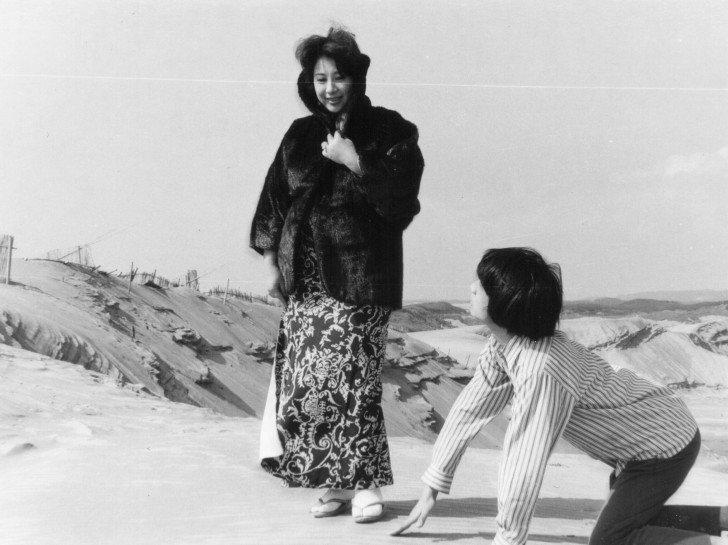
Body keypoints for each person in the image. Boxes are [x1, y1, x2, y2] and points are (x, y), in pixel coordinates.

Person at [393, 247, 728, 544]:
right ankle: (722, 519)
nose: (471, 288)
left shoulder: (541, 369)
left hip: (662, 447)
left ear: (507, 301)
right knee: (629, 517)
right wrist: (430, 490)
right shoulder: (503, 345)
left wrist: (508, 539)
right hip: (650, 436)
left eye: (482, 285)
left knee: (612, 539)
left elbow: (524, 460)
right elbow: (468, 410)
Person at [250, 26, 424, 524]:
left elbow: (401, 202)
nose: (330, 88)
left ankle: (365, 484)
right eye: (320, 78)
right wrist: (270, 264)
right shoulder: (299, 134)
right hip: (303, 284)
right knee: (309, 385)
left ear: (357, 77)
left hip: (361, 276)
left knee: (354, 382)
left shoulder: (391, 130)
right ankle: (333, 481)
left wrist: (353, 159)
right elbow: (273, 203)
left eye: (339, 77)